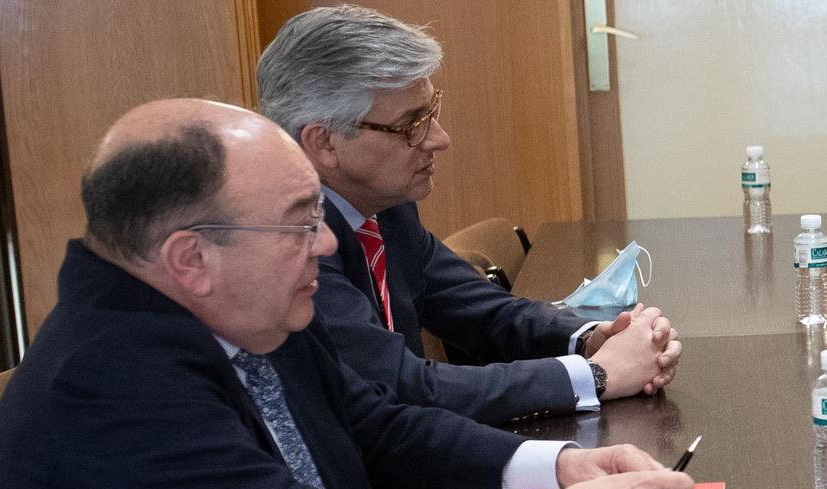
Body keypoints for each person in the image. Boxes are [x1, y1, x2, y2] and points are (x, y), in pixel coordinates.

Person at [0, 98, 694, 489]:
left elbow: (375, 424)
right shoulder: (106, 375)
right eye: (299, 223)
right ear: (191, 257)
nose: (326, 244)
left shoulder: (240, 302)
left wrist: (561, 465)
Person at [256, 4, 682, 425]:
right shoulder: (292, 247)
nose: (439, 139)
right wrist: (598, 376)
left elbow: (483, 312)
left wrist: (591, 339)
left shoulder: (386, 208)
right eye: (411, 124)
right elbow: (402, 388)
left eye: (431, 113)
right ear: (324, 142)